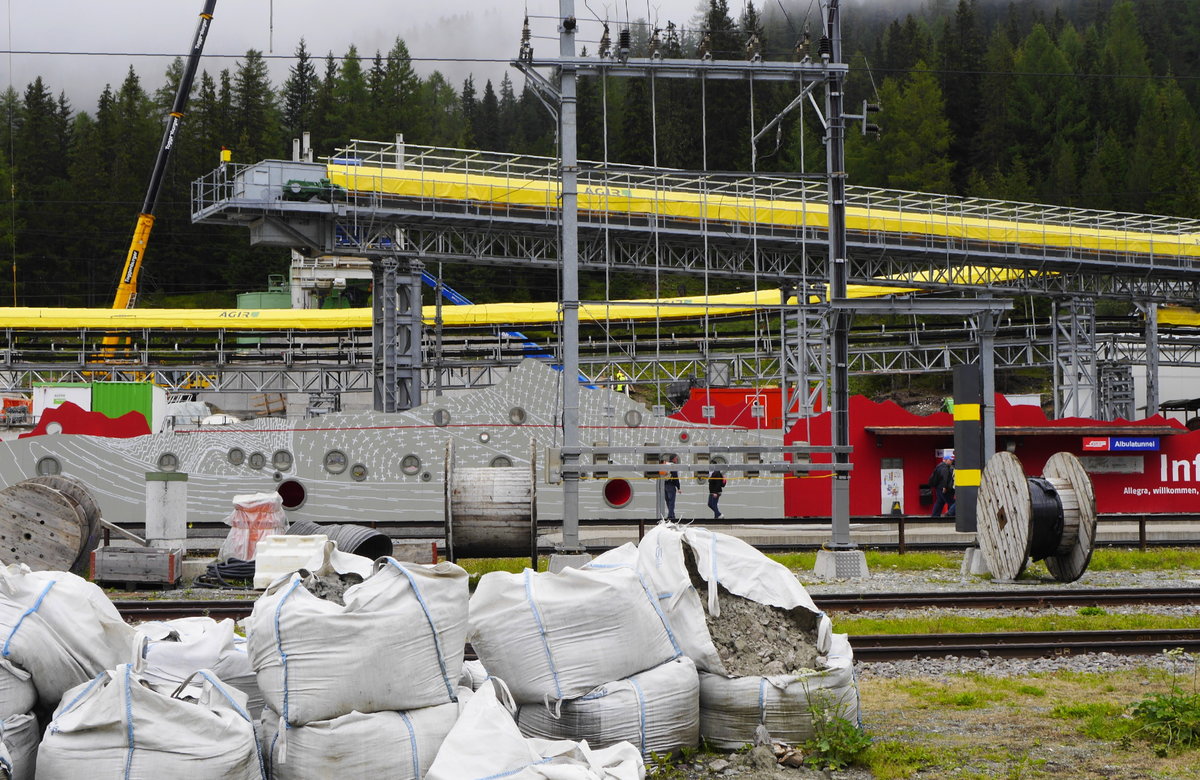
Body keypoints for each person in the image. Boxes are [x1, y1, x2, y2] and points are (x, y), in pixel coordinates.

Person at [928, 453, 955, 518]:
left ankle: (935, 516)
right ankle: (950, 513)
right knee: (952, 502)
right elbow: (944, 478)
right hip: (943, 488)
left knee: (940, 502)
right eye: (950, 460)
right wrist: (945, 487)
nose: (951, 461)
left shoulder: (939, 466)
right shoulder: (944, 468)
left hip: (938, 488)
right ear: (945, 460)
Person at [661, 455, 681, 519]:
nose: (677, 460)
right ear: (673, 459)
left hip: (664, 485)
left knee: (668, 501)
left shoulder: (666, 465)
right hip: (671, 485)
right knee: (671, 501)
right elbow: (675, 478)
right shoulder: (673, 466)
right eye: (676, 459)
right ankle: (670, 516)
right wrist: (678, 488)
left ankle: (672, 514)